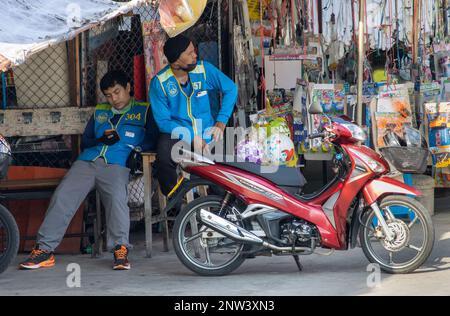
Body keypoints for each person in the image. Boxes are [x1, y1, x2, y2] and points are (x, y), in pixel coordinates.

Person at [19, 70, 159, 271]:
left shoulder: (144, 110)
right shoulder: (101, 111)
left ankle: (120, 250)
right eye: (109, 95)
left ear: (128, 87)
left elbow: (152, 139)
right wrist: (101, 140)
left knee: (117, 200)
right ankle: (44, 250)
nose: (114, 99)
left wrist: (135, 150)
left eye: (117, 92)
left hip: (116, 164)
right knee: (63, 196)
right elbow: (86, 141)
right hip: (87, 162)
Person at [150, 34, 238, 197]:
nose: (195, 55)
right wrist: (191, 136)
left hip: (207, 131)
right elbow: (163, 122)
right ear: (176, 62)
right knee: (163, 154)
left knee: (223, 170)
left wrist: (221, 123)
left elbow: (230, 89)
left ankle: (219, 205)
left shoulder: (204, 69)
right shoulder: (160, 83)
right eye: (190, 53)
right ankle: (175, 199)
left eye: (194, 51)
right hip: (177, 134)